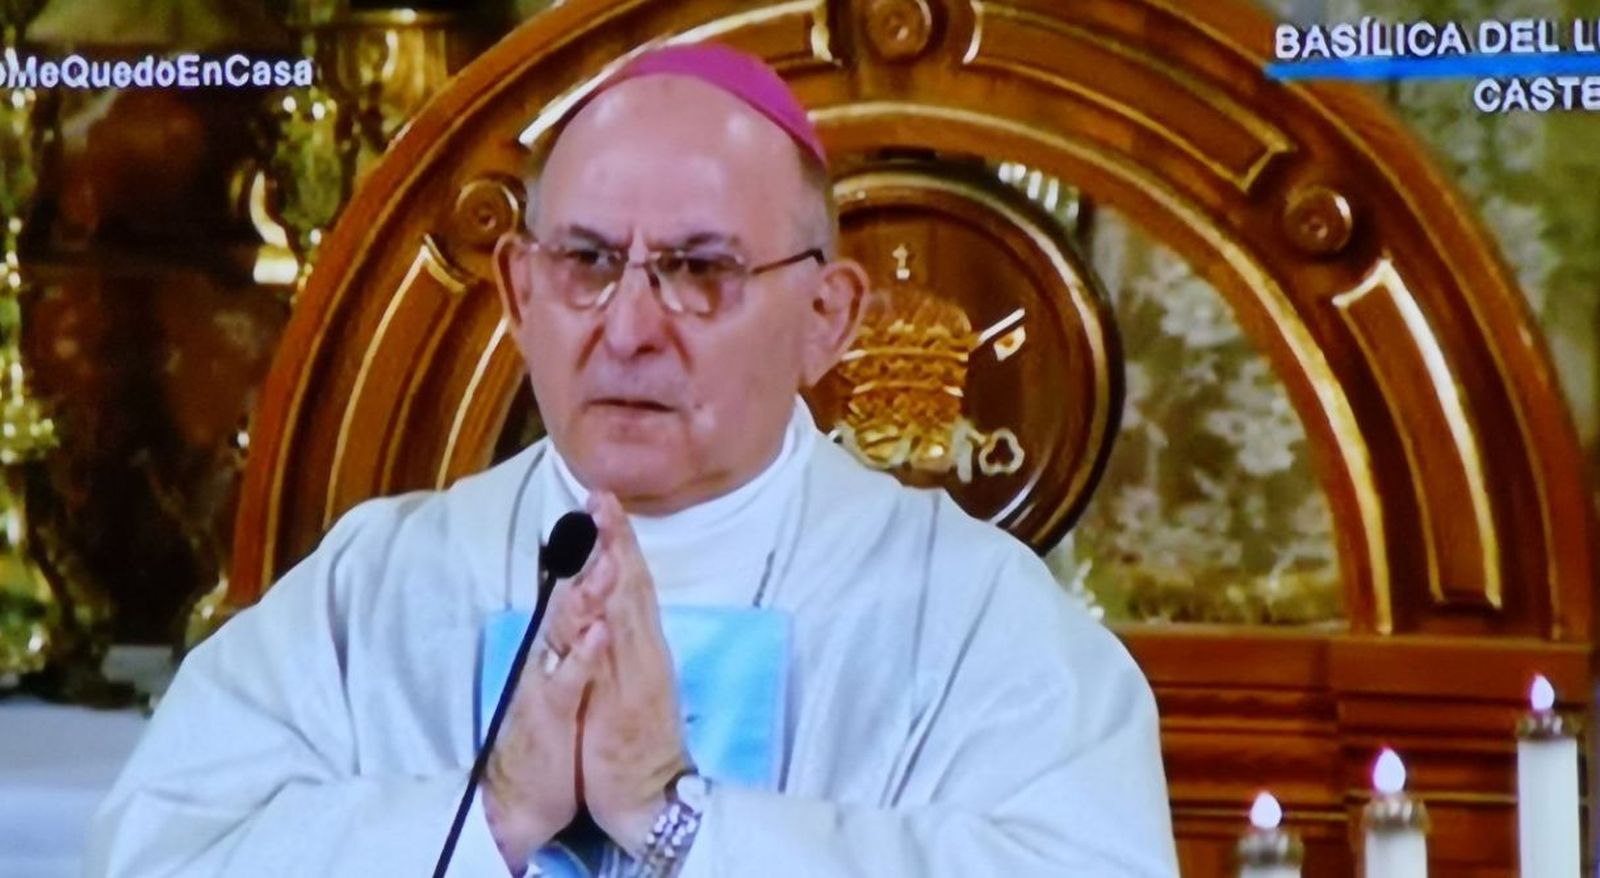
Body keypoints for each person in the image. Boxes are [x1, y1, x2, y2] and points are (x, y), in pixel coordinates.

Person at [87, 44, 1177, 876]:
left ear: (825, 318)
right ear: (520, 294)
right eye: (589, 262)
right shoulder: (374, 585)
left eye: (699, 268)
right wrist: (490, 814)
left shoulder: (972, 615)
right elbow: (154, 852)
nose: (629, 327)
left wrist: (678, 817)